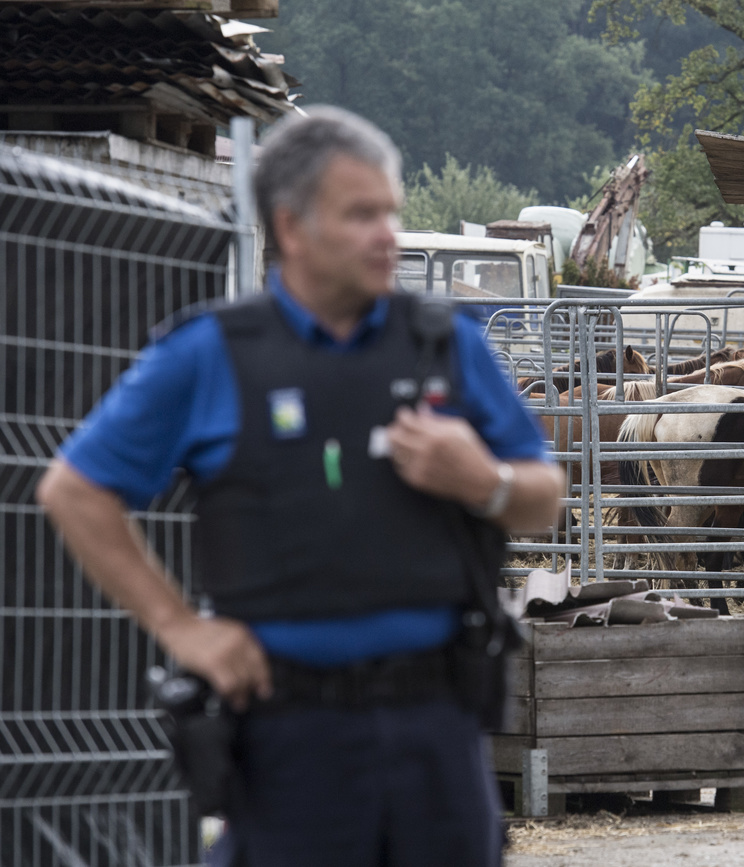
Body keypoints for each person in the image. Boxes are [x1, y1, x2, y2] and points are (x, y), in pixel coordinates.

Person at [36, 106, 563, 867]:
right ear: (290, 227)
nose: (387, 232)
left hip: (439, 727)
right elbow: (74, 491)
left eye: (390, 210)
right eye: (361, 214)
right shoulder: (212, 353)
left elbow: (544, 497)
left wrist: (483, 480)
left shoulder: (449, 345)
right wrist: (183, 629)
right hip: (289, 738)